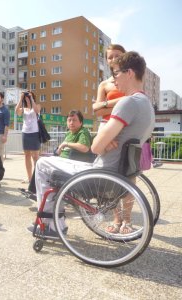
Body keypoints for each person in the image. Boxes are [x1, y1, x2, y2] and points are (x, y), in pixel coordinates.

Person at [30, 51, 154, 237]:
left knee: (42, 164)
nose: (114, 80)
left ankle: (52, 224)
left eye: (116, 74)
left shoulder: (127, 103)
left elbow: (95, 147)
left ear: (129, 73)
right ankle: (54, 219)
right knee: (50, 165)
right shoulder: (147, 106)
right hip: (120, 173)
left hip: (101, 174)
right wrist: (106, 139)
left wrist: (102, 139)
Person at [22, 110, 92, 199]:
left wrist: (66, 144)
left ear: (81, 122)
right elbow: (61, 148)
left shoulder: (83, 131)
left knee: (41, 164)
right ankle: (36, 192)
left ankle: (37, 193)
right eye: (69, 120)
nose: (71, 122)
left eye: (74, 120)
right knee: (41, 163)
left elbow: (84, 147)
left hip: (72, 163)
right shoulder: (69, 133)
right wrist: (59, 149)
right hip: (64, 160)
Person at [93, 44, 126, 131]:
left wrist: (105, 104)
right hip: (106, 125)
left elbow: (133, 101)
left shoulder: (131, 78)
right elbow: (97, 111)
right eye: (110, 57)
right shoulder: (104, 84)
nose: (114, 59)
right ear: (107, 61)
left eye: (117, 56)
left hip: (127, 124)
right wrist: (122, 105)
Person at [15, 91, 41, 183]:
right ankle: (29, 178)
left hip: (35, 133)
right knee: (27, 156)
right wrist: (21, 98)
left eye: (28, 96)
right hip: (25, 132)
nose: (27, 97)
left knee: (35, 156)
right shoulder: (24, 108)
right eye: (26, 96)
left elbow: (37, 111)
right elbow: (16, 111)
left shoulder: (37, 105)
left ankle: (36, 177)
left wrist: (32, 99)